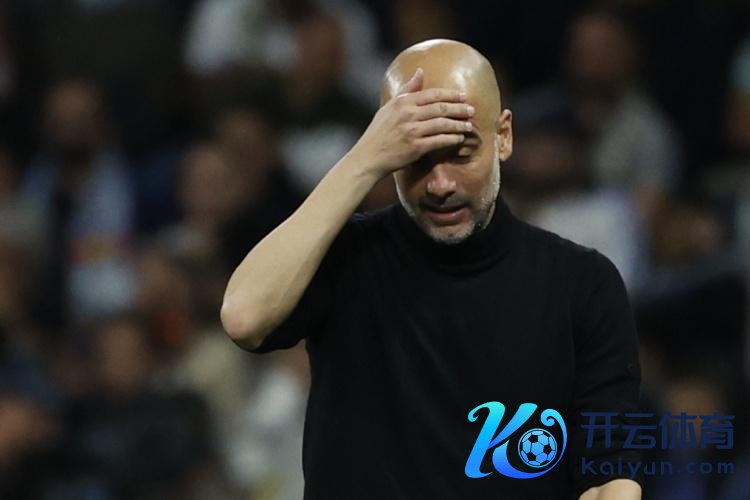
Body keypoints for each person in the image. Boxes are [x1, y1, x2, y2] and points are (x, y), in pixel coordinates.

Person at [221, 39, 643, 499]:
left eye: (461, 154)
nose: (440, 184)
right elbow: (245, 318)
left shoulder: (581, 283)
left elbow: (608, 475)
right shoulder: (345, 257)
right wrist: (362, 161)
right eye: (417, 158)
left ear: (503, 136)